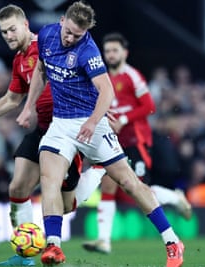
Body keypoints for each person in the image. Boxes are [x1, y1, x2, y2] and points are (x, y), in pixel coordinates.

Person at [16, 2, 184, 266]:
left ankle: (172, 240)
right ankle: (54, 246)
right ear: (62, 21)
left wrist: (93, 122)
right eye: (69, 32)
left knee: (130, 184)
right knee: (49, 178)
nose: (71, 38)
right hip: (60, 125)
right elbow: (40, 71)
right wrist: (28, 108)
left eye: (77, 35)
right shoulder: (47, 35)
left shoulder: (88, 50)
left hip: (91, 123)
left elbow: (106, 91)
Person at [0, 5, 92, 266]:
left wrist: (100, 110)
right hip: (43, 130)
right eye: (4, 31)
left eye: (12, 29)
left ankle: (98, 172)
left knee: (65, 204)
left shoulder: (51, 43)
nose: (8, 35)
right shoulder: (19, 60)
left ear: (26, 24)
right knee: (17, 187)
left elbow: (83, 69)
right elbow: (11, 99)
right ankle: (24, 256)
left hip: (67, 131)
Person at [82, 33, 192, 254]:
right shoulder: (101, 78)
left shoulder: (132, 76)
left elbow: (149, 106)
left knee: (138, 188)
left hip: (135, 140)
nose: (111, 55)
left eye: (115, 50)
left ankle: (174, 197)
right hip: (112, 141)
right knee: (109, 185)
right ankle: (104, 240)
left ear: (125, 53)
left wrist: (123, 119)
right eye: (108, 51)